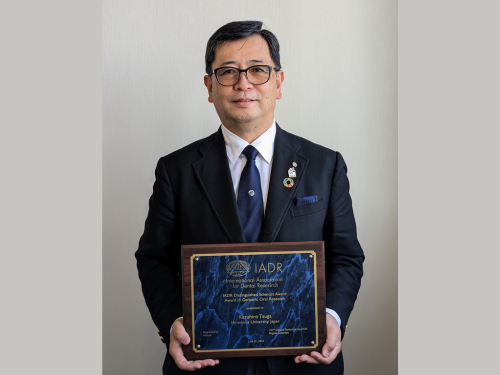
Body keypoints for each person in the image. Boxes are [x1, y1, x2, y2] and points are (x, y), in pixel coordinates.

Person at [136, 20, 364, 375]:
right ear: (210, 87)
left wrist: (332, 317)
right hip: (208, 362)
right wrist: (172, 322)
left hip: (304, 360)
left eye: (258, 70)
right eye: (228, 72)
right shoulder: (175, 170)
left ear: (278, 82)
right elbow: (153, 259)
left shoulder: (325, 165)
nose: (243, 83)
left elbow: (347, 256)